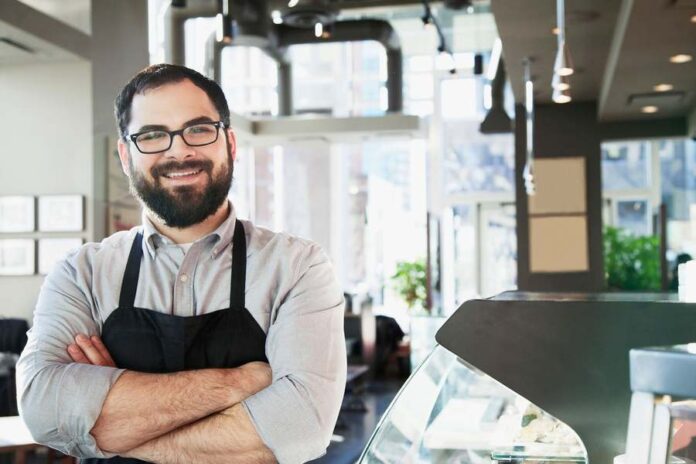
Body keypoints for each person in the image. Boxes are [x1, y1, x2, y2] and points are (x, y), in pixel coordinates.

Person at [16, 64, 347, 464]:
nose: (179, 151)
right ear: (125, 155)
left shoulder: (297, 267)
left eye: (199, 129)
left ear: (230, 143)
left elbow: (301, 425)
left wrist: (107, 427)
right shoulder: (81, 273)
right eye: (152, 135)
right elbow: (43, 409)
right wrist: (241, 382)